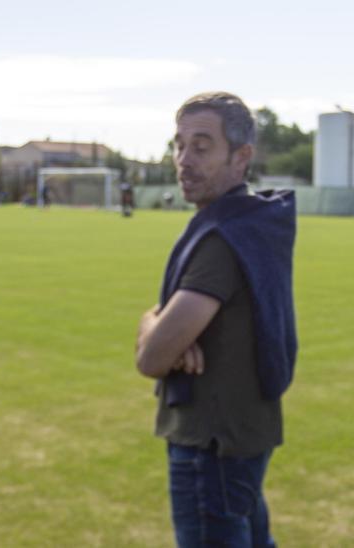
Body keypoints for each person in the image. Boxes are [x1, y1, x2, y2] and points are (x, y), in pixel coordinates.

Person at [135, 92, 297, 547]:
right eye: (179, 145)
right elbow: (164, 341)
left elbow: (151, 357)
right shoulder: (255, 223)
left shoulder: (222, 240)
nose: (184, 160)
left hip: (210, 447)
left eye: (201, 146)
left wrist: (154, 323)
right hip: (243, 435)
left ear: (241, 157)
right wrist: (164, 324)